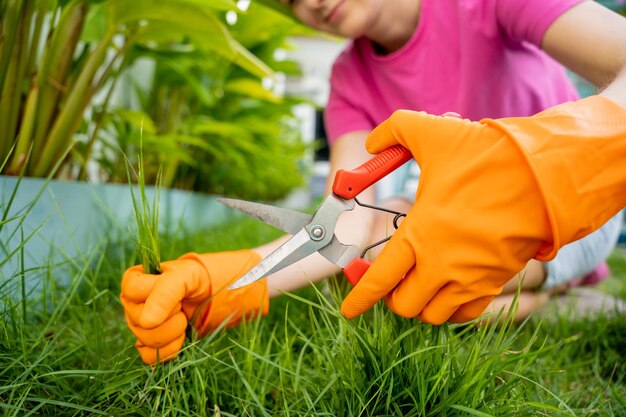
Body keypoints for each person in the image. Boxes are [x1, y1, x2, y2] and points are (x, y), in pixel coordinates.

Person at [120, 0, 626, 364]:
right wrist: (232, 281)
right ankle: (537, 304)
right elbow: (344, 223)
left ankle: (538, 294)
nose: (311, 4)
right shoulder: (351, 80)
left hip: (577, 210)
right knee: (390, 252)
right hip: (452, 228)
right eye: (291, 1)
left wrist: (541, 167)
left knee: (413, 256)